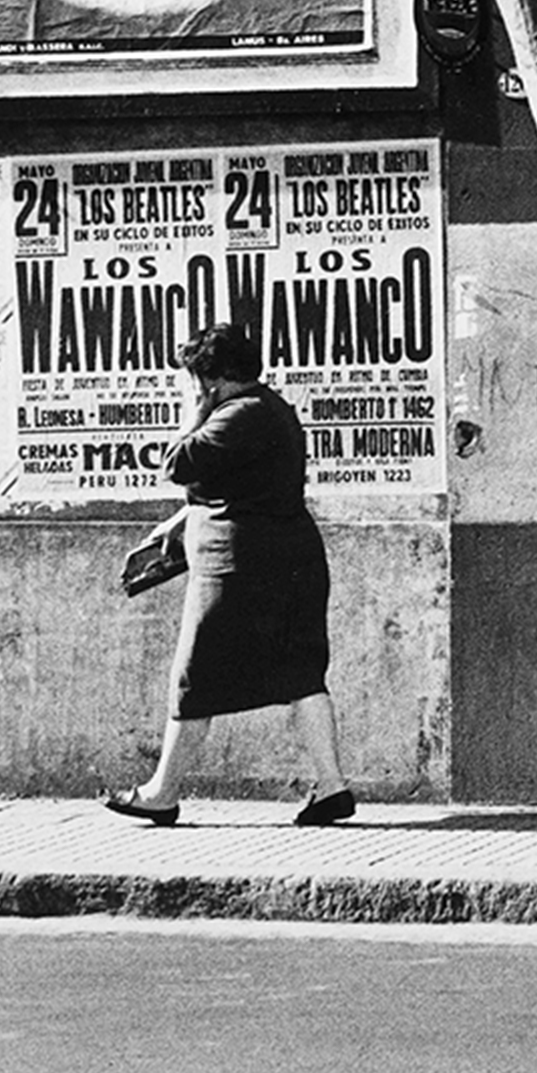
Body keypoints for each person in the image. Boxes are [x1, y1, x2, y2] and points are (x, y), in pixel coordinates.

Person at [104, 322, 353, 828]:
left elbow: (177, 463)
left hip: (239, 569)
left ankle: (162, 793)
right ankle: (333, 787)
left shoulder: (238, 414)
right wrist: (180, 523)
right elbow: (242, 485)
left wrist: (195, 410)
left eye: (194, 378)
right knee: (301, 672)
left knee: (195, 676)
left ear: (210, 378)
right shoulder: (269, 408)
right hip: (288, 562)